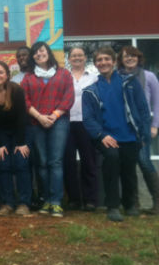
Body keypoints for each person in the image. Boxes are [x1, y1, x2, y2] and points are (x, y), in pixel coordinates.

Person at [83, 47, 151, 222]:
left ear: (113, 62)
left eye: (107, 59)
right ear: (95, 64)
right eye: (99, 60)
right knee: (112, 162)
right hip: (106, 137)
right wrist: (101, 135)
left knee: (129, 169)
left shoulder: (129, 82)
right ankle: (112, 206)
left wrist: (143, 135)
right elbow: (88, 119)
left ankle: (129, 204)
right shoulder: (90, 91)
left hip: (130, 135)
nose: (103, 62)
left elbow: (143, 108)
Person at [21, 41, 74, 217]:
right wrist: (40, 117)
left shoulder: (64, 74)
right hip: (36, 122)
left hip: (58, 122)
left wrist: (55, 115)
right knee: (42, 163)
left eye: (41, 51)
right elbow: (25, 101)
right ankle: (45, 200)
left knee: (55, 162)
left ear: (48, 52)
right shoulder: (28, 78)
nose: (38, 54)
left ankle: (57, 202)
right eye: (35, 53)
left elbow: (69, 96)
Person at [0, 61, 31, 215]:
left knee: (21, 163)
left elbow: (22, 117)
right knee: (2, 164)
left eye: (0, 72)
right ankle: (7, 203)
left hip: (19, 131)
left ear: (7, 75)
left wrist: (21, 143)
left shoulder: (16, 91)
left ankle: (24, 203)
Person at [117, 46, 159, 215]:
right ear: (121, 59)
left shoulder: (149, 76)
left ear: (138, 58)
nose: (129, 59)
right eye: (126, 56)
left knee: (144, 161)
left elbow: (157, 102)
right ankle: (133, 204)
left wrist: (154, 125)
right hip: (124, 127)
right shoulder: (117, 77)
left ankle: (157, 203)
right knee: (127, 164)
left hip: (143, 126)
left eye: (132, 56)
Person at [63, 47, 98, 211]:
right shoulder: (64, 77)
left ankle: (90, 199)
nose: (77, 58)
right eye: (73, 56)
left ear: (85, 58)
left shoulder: (94, 77)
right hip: (67, 123)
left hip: (87, 123)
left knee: (89, 161)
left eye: (80, 55)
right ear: (69, 59)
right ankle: (74, 200)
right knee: (68, 161)